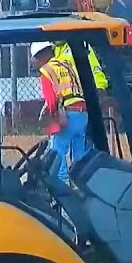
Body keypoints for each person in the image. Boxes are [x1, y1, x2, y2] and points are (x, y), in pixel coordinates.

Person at [31, 41, 89, 185]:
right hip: (83, 114)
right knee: (79, 156)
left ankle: (63, 196)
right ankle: (81, 189)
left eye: (35, 58)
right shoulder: (67, 64)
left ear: (40, 56)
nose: (34, 62)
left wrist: (50, 119)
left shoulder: (46, 70)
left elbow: (51, 100)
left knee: (58, 155)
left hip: (66, 117)